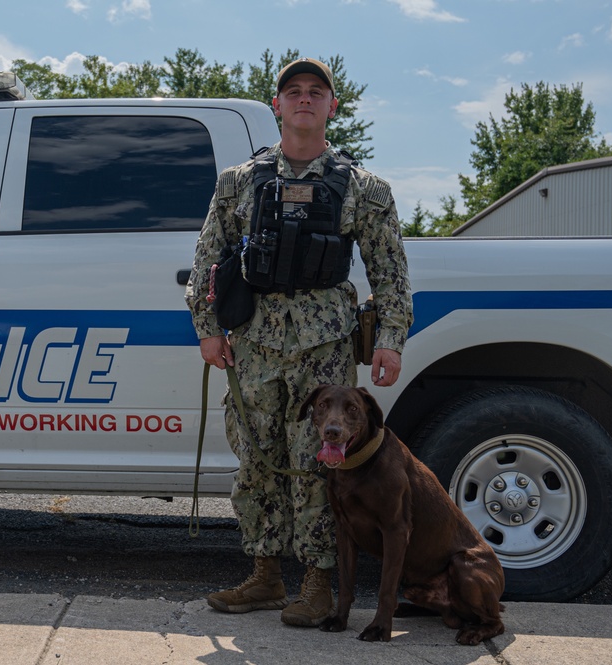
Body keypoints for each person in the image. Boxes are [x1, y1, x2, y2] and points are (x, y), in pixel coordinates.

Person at [184, 58, 413, 627]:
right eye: (294, 92)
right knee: (257, 460)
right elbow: (208, 258)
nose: (304, 99)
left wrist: (388, 341)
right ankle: (264, 578)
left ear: (332, 106)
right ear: (278, 106)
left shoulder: (364, 189)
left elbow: (390, 271)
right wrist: (208, 329)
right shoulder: (240, 182)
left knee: (323, 463)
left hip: (326, 349)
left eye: (317, 92)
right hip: (253, 345)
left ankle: (316, 584)